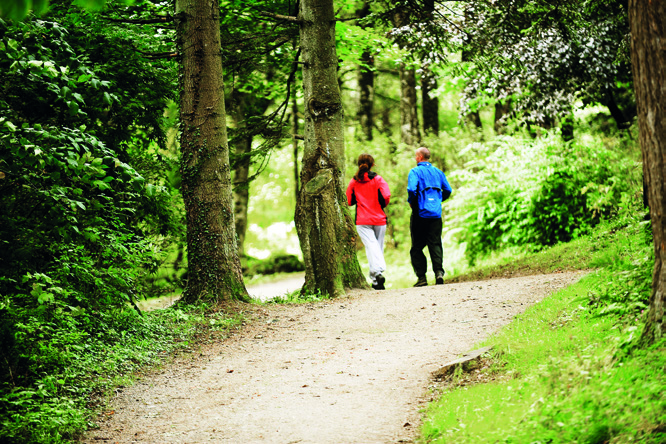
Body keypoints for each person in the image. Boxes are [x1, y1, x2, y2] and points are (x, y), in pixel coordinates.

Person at [407, 147, 452, 287]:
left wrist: (412, 203)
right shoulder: (438, 172)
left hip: (420, 214)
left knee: (417, 247)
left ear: (420, 157)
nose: (415, 158)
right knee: (435, 243)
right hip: (436, 215)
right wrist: (438, 201)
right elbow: (448, 190)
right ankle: (439, 273)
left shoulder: (415, 171)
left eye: (416, 156)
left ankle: (422, 278)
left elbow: (411, 189)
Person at [346, 153, 391, 290]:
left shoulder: (354, 181)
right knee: (377, 247)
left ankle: (377, 274)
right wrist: (382, 204)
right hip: (379, 218)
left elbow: (348, 200)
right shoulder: (378, 179)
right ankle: (377, 278)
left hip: (363, 220)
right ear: (372, 164)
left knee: (372, 247)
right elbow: (386, 195)